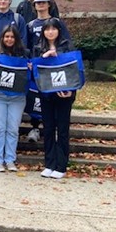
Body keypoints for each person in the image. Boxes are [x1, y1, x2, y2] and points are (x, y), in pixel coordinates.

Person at [33, 18, 75, 179]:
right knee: (49, 129)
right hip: (47, 94)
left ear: (59, 30)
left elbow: (74, 70)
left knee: (62, 130)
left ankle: (61, 165)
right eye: (47, 29)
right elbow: (36, 69)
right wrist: (44, 57)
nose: (50, 32)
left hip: (64, 94)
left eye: (53, 29)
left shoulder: (67, 46)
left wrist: (71, 90)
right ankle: (49, 163)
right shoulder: (38, 48)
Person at [25, 0, 71, 142]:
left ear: (49, 4)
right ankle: (35, 127)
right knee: (36, 96)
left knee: (55, 95)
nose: (41, 5)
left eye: (44, 2)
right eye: (38, 3)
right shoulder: (31, 25)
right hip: (38, 67)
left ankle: (55, 128)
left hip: (56, 67)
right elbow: (27, 46)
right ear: (34, 5)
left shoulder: (57, 22)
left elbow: (67, 43)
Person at [0, 26, 29, 172]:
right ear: (2, 38)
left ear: (16, 38)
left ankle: (10, 159)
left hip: (17, 97)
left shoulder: (25, 54)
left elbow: (32, 73)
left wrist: (30, 67)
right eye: (7, 36)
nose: (9, 39)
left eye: (12, 37)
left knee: (12, 129)